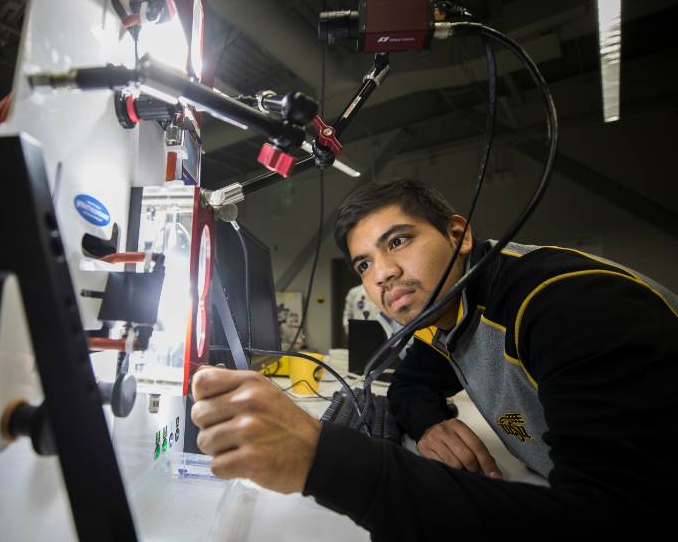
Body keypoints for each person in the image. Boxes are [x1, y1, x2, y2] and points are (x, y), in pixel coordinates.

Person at [189, 178, 678, 538]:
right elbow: (410, 386)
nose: (384, 274)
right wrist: (427, 424)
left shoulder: (568, 308)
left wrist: (326, 460)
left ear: (459, 235)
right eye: (365, 264)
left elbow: (610, 522)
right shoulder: (449, 318)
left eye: (398, 241)